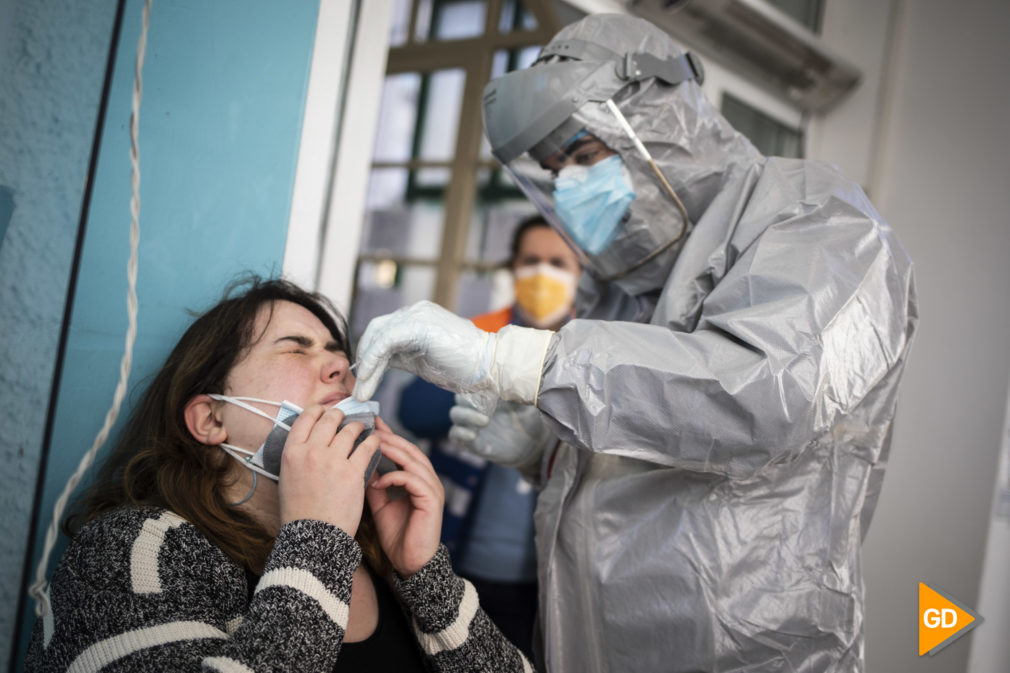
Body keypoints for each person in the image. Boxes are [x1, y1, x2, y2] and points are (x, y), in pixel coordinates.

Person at [351, 14, 918, 673]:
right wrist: (547, 452)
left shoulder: (816, 220)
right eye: (554, 168)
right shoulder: (622, 280)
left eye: (585, 154)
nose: (568, 185)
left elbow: (764, 395)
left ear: (664, 121)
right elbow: (651, 445)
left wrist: (508, 357)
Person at [25, 276, 533, 673]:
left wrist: (424, 577)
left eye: (338, 351)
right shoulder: (128, 551)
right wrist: (318, 537)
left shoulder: (380, 553)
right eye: (297, 347)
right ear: (210, 419)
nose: (338, 366)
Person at [398, 215, 580, 659]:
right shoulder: (478, 335)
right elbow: (413, 409)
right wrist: (496, 376)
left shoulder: (590, 353)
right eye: (531, 260)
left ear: (581, 275)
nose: (543, 273)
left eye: (558, 262)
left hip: (551, 578)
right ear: (513, 266)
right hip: (463, 561)